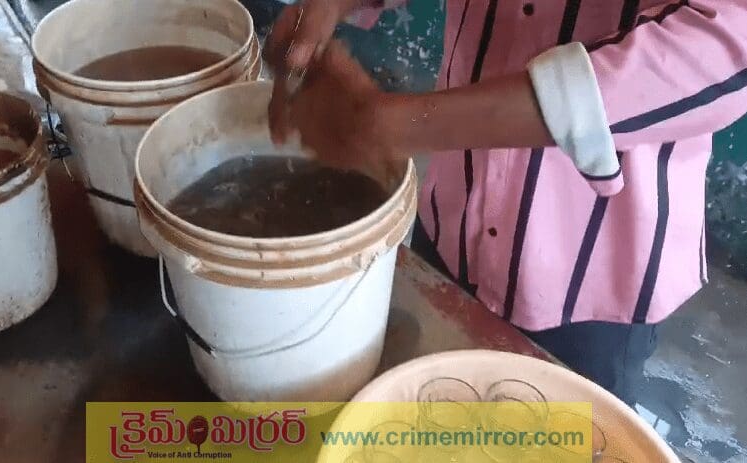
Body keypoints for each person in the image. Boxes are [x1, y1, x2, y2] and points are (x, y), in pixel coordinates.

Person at [264, 0, 747, 407]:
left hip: (592, 274)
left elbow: (728, 37)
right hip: (455, 213)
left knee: (557, 444)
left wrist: (395, 127)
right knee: (429, 420)